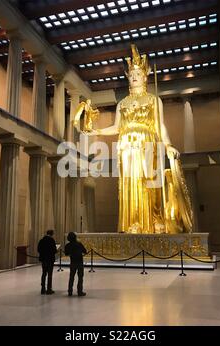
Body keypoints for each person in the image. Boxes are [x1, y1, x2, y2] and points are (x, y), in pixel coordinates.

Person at [81, 44, 193, 234]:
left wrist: (168, 145)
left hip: (147, 142)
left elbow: (160, 125)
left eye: (138, 74)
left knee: (150, 180)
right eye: (131, 74)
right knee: (130, 183)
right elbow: (117, 128)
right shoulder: (122, 103)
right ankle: (133, 222)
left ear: (145, 76)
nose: (134, 77)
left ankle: (156, 220)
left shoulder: (153, 99)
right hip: (126, 146)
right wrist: (96, 132)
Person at [64, 232, 87, 297]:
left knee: (71, 277)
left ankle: (70, 291)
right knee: (80, 277)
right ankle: (79, 291)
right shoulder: (79, 244)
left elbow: (66, 253)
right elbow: (85, 251)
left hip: (73, 262)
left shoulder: (67, 245)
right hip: (79, 262)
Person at [37, 230, 57, 295]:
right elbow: (54, 250)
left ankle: (42, 289)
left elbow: (38, 249)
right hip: (50, 259)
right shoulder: (52, 240)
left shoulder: (42, 240)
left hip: (44, 259)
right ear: (52, 234)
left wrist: (43, 254)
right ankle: (49, 289)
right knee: (49, 274)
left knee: (44, 273)